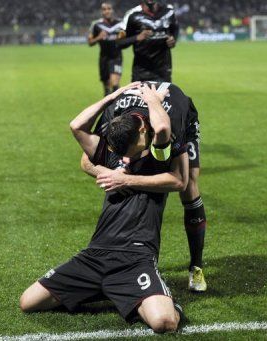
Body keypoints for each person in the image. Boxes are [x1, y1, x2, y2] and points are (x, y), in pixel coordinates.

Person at [20, 83, 188, 333]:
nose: (128, 157)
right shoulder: (112, 154)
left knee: (164, 323)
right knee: (28, 302)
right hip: (95, 255)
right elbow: (76, 127)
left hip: (135, 257)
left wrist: (153, 99)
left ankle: (152, 296)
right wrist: (111, 97)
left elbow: (165, 135)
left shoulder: (158, 158)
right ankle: (108, 289)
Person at [81, 81, 208, 292]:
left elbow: (179, 180)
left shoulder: (170, 124)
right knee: (128, 167)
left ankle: (196, 266)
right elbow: (86, 161)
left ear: (143, 131)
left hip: (178, 113)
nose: (126, 159)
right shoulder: (113, 118)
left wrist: (127, 179)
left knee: (190, 186)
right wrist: (110, 173)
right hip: (136, 115)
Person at [118, 0, 179, 82]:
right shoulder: (132, 15)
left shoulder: (169, 12)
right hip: (141, 72)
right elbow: (120, 43)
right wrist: (137, 37)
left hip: (163, 71)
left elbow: (175, 29)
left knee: (163, 95)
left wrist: (173, 40)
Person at [88, 2, 125, 96]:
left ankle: (118, 108)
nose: (107, 11)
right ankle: (108, 109)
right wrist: (98, 37)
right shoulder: (96, 24)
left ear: (112, 10)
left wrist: (123, 37)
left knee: (115, 85)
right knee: (107, 89)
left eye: (109, 8)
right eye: (104, 9)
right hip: (104, 58)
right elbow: (90, 42)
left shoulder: (121, 24)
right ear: (101, 11)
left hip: (116, 57)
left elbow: (127, 37)